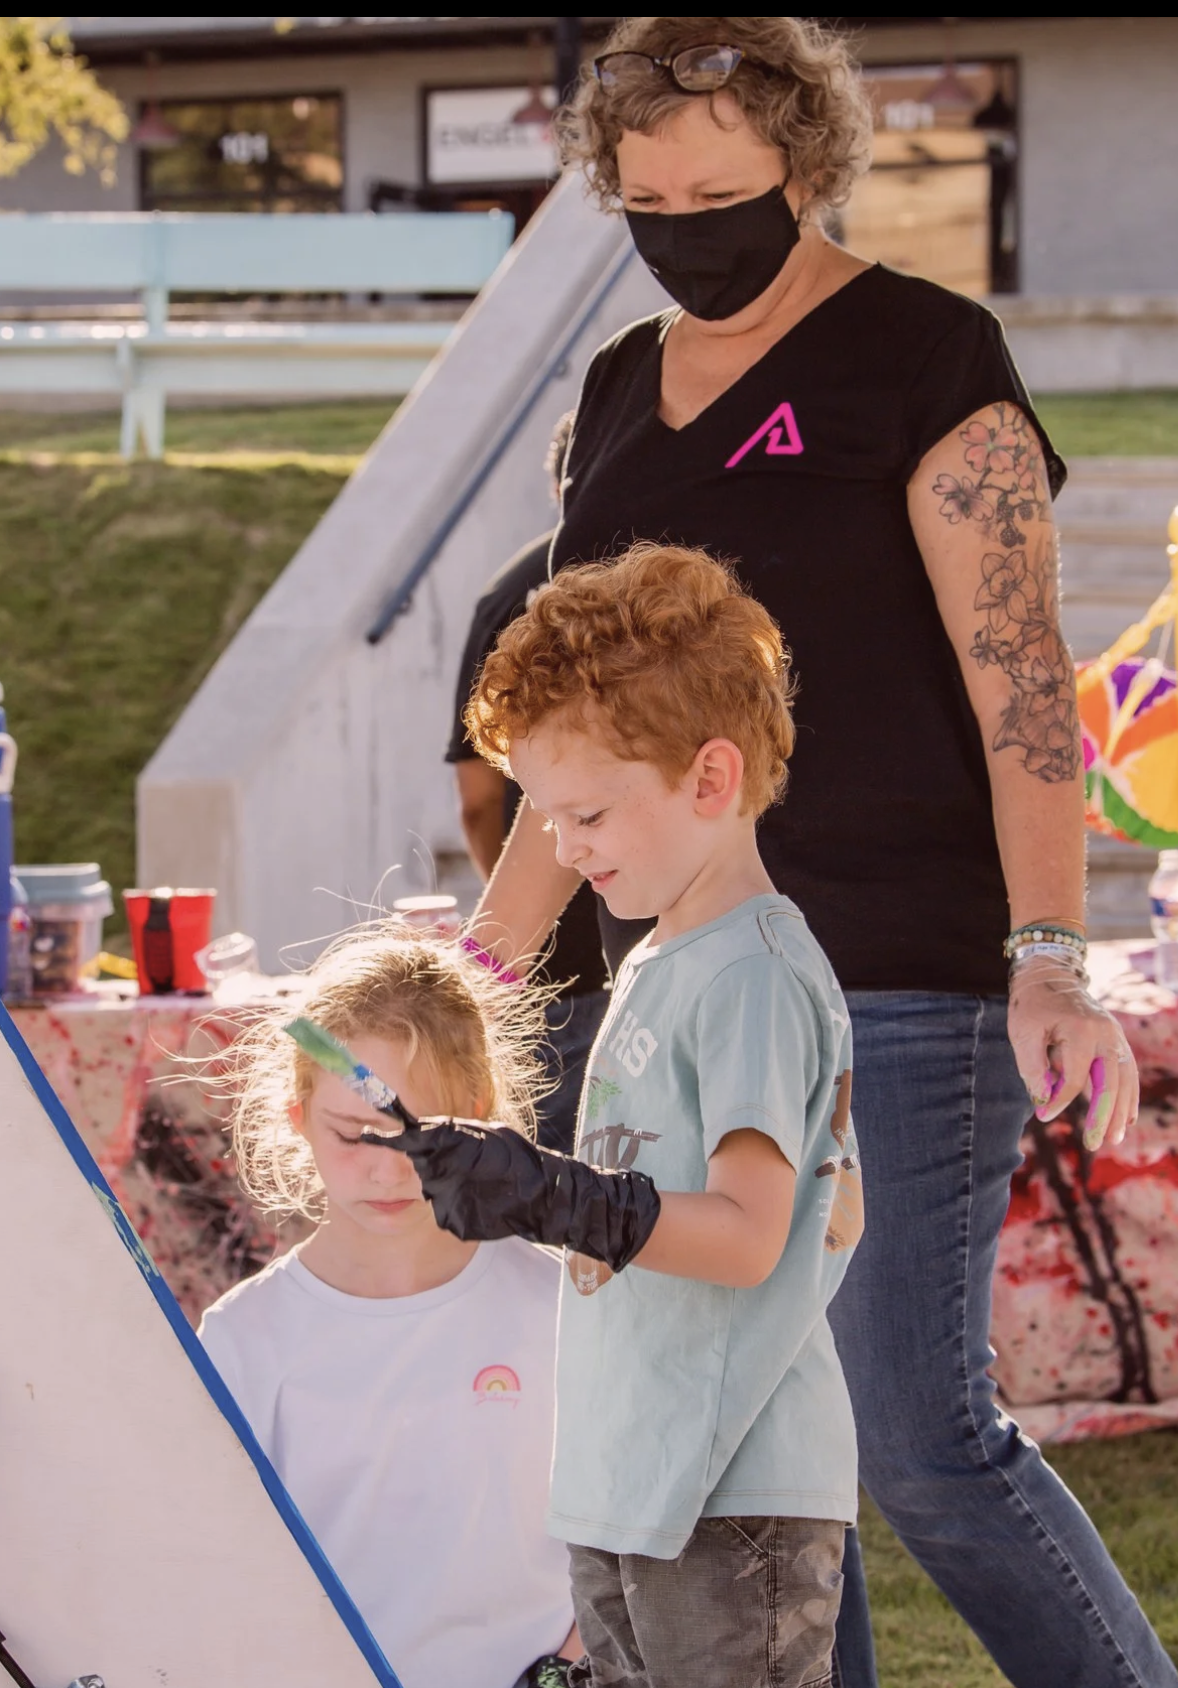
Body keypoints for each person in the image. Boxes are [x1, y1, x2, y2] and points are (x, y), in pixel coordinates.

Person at [463, 18, 1172, 1688]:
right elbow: (583, 710)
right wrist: (479, 965)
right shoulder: (618, 381)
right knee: (755, 1453)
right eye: (643, 200)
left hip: (902, 974)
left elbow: (1021, 693)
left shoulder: (927, 354)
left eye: (719, 192)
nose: (685, 228)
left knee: (916, 1435)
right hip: (686, 981)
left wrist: (1047, 948)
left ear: (806, 167)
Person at [390, 542, 865, 1688]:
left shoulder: (750, 970)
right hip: (637, 1475)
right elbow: (838, 1208)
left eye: (586, 812)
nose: (559, 848)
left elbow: (753, 1236)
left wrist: (550, 1194)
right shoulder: (661, 957)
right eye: (542, 816)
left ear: (709, 778)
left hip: (728, 1492)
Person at [198, 928, 580, 1688]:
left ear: (479, 1116)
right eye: (353, 1133)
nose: (385, 1168)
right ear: (297, 1115)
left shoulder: (561, 1304)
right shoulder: (243, 1342)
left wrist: (568, 1667)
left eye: (420, 1135)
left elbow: (628, 1536)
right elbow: (213, 1570)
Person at [447, 413, 609, 1151]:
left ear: (558, 484)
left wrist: (503, 943)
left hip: (551, 967)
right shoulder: (682, 598)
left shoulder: (510, 595)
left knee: (538, 1218)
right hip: (659, 953)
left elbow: (481, 801)